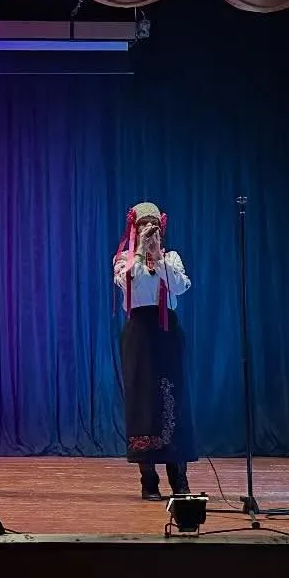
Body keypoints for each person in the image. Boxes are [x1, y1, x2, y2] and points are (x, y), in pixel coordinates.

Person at [113, 201, 196, 500]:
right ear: (134, 229)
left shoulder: (170, 258)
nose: (149, 232)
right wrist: (139, 251)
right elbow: (127, 284)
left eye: (154, 227)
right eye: (143, 227)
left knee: (173, 402)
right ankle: (148, 479)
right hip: (139, 334)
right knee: (143, 403)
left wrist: (158, 256)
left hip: (166, 333)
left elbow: (181, 286)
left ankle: (179, 479)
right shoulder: (124, 259)